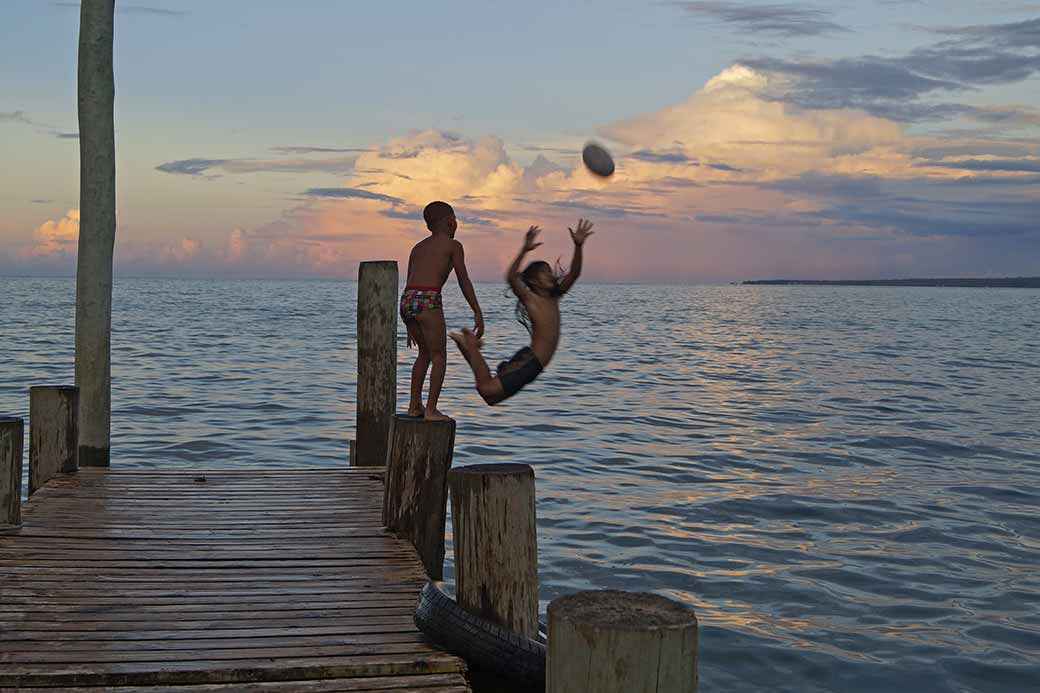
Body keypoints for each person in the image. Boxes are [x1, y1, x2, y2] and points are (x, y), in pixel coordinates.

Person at [451, 219, 593, 405]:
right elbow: (511, 276)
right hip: (532, 361)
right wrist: (525, 249)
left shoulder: (553, 298)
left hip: (534, 364)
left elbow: (574, 273)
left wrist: (578, 246)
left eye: (550, 271)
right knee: (487, 390)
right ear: (533, 281)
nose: (550, 275)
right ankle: (470, 344)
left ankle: (470, 347)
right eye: (544, 272)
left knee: (491, 398)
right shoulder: (531, 300)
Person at [400, 201, 484, 421]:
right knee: (439, 356)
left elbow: (410, 279)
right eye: (455, 219)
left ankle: (413, 406)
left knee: (424, 354)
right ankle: (431, 410)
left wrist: (410, 324)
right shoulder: (453, 246)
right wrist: (476, 310)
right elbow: (463, 279)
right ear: (450, 222)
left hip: (408, 300)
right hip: (428, 298)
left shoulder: (417, 247)